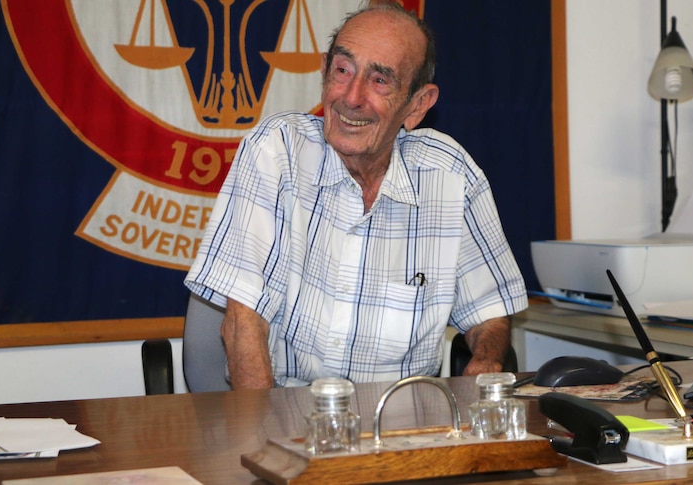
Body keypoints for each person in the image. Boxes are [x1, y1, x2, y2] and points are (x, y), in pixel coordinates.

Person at [185, 1, 527, 390]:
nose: (351, 97)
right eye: (343, 71)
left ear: (417, 106)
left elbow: (489, 310)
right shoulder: (277, 152)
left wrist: (485, 360)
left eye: (380, 81)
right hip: (286, 410)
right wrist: (264, 441)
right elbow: (242, 321)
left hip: (403, 420)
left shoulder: (450, 174)